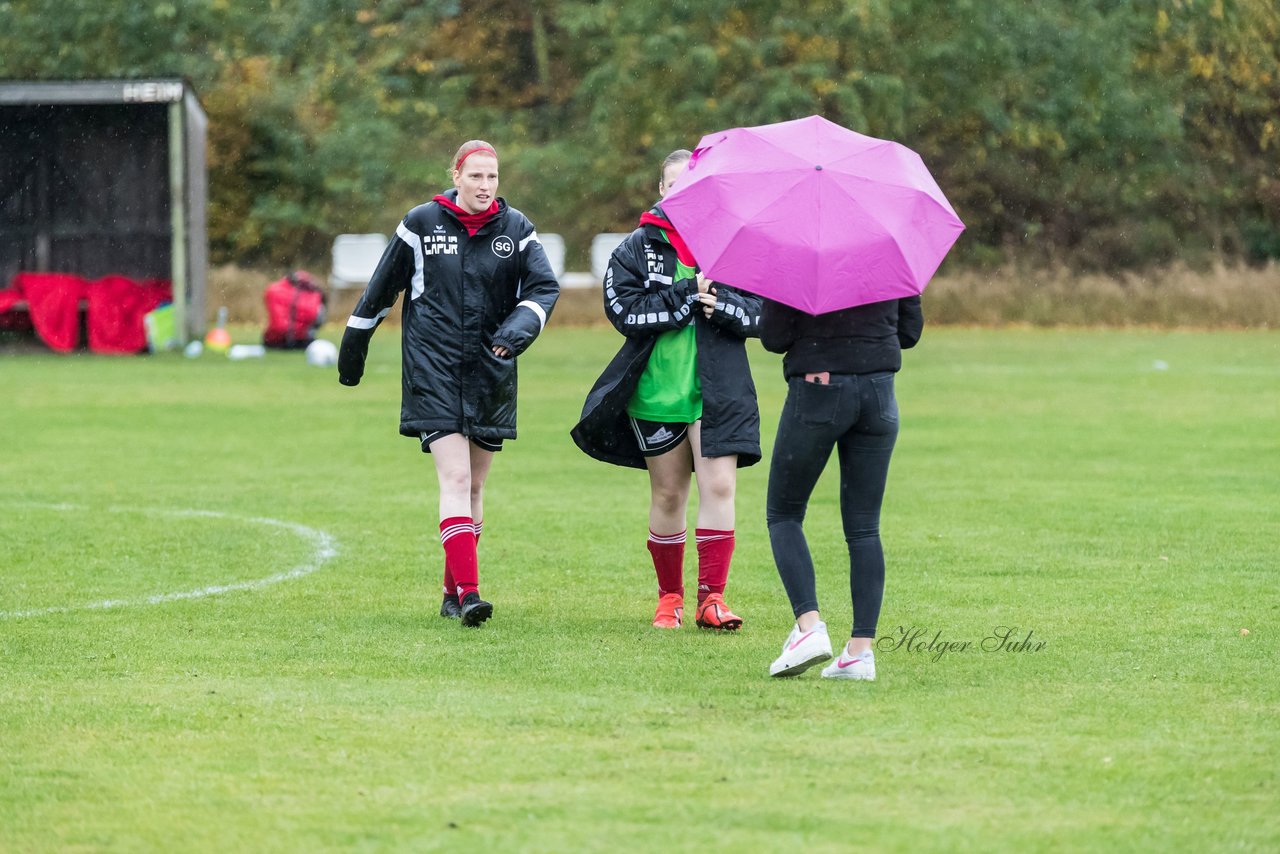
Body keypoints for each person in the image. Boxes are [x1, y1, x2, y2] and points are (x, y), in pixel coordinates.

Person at [338, 140, 560, 627]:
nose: (485, 186)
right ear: (456, 176)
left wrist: (518, 330)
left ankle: (450, 591)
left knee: (476, 485)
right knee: (456, 479)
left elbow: (545, 287)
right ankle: (472, 594)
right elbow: (382, 288)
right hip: (433, 370)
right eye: (476, 176)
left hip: (491, 370)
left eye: (492, 177)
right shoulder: (421, 223)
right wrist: (354, 345)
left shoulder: (517, 229)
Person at [571, 150, 762, 631]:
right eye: (674, 185)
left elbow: (763, 313)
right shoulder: (636, 246)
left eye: (693, 185)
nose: (683, 193)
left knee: (719, 485)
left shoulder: (734, 243)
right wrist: (684, 296)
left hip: (719, 390)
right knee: (669, 493)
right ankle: (669, 599)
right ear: (661, 190)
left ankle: (712, 600)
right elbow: (623, 311)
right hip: (656, 390)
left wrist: (721, 304)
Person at [760, 294, 922, 680]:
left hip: (819, 389)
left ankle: (809, 627)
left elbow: (773, 336)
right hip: (880, 393)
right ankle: (859, 653)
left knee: (783, 514)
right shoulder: (888, 252)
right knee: (864, 527)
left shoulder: (796, 254)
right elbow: (910, 333)